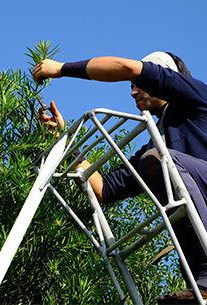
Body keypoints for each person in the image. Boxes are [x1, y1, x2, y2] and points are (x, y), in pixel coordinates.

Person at [33, 52, 207, 302]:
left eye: (138, 85)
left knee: (161, 160)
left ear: (165, 79)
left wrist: (60, 69)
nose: (133, 92)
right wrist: (66, 141)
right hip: (197, 264)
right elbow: (102, 188)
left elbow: (126, 67)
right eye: (132, 87)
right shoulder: (156, 145)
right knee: (156, 162)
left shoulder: (196, 98)